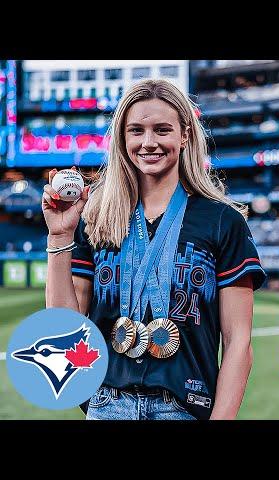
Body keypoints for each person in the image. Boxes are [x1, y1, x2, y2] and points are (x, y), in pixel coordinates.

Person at [42, 79, 266, 420]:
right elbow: (67, 330)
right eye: (136, 131)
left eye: (162, 130)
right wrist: (59, 237)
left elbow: (239, 344)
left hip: (182, 409)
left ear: (185, 135)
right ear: (123, 138)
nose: (149, 143)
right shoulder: (97, 218)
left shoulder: (222, 221)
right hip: (106, 406)